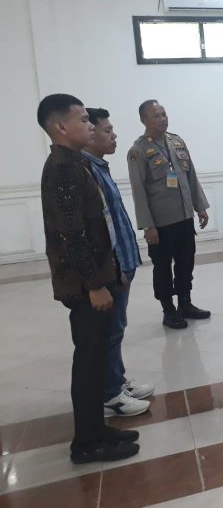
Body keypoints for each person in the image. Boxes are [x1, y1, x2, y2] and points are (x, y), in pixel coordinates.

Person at [37, 94, 140, 464]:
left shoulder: (76, 163)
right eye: (82, 120)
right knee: (89, 360)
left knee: (95, 359)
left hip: (96, 277)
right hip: (86, 285)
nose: (90, 127)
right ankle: (87, 443)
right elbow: (73, 234)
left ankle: (97, 429)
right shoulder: (63, 168)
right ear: (61, 126)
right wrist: (95, 284)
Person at [83, 108, 153, 417]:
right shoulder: (85, 171)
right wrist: (110, 270)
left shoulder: (99, 167)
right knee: (110, 331)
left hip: (121, 262)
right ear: (90, 133)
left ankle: (117, 380)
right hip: (110, 267)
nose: (114, 135)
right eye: (107, 130)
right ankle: (111, 394)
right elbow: (97, 229)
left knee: (117, 328)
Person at [127, 100, 210, 329]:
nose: (162, 119)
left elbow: (190, 176)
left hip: (184, 217)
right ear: (143, 120)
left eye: (164, 114)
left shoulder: (177, 141)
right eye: (156, 116)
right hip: (161, 223)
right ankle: (168, 310)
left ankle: (185, 304)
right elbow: (138, 191)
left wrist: (200, 206)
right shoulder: (138, 151)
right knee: (162, 267)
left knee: (186, 263)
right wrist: (148, 226)